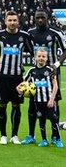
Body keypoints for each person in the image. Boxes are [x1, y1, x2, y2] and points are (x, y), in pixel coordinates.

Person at [24, 10, 66, 145]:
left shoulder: (54, 33)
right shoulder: (30, 33)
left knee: (54, 103)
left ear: (47, 19)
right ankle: (31, 135)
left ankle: (55, 135)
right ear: (34, 19)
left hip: (52, 72)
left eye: (42, 17)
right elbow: (28, 47)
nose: (40, 20)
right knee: (32, 102)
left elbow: (65, 49)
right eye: (38, 18)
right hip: (36, 72)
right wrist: (34, 59)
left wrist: (57, 64)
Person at [0, 11, 32, 145]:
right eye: (9, 20)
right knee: (2, 105)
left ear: (18, 21)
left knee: (16, 106)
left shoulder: (24, 36)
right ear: (5, 21)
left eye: (14, 20)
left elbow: (33, 52)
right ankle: (3, 135)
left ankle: (14, 135)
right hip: (2, 76)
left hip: (18, 78)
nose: (12, 23)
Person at [19, 49, 63, 148]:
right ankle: (44, 140)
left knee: (53, 120)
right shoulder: (31, 71)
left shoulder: (50, 70)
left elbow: (55, 86)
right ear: (35, 58)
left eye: (43, 56)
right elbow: (24, 82)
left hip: (49, 102)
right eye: (39, 56)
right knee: (41, 120)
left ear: (47, 58)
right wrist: (19, 89)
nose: (41, 58)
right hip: (37, 102)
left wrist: (52, 99)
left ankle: (57, 139)